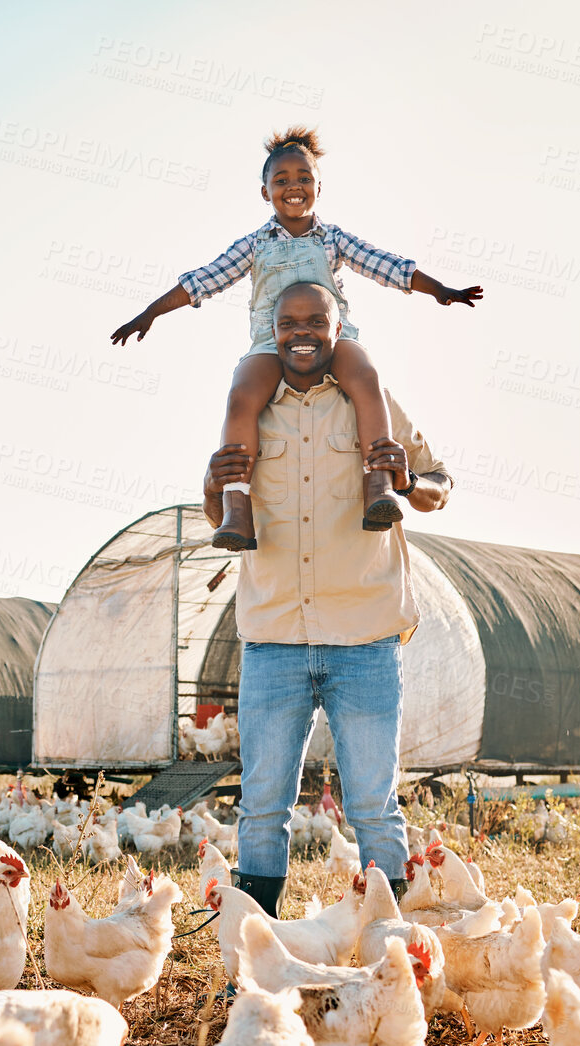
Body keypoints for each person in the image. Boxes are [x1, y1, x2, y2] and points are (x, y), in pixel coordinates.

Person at [201, 280, 452, 916]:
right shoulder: (250, 408)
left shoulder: (374, 403)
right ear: (273, 330)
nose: (303, 332)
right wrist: (213, 485)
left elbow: (440, 486)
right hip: (274, 639)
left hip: (363, 637)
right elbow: (218, 514)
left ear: (338, 329)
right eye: (290, 322)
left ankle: (385, 952)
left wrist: (407, 478)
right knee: (262, 806)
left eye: (317, 320)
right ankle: (254, 961)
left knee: (372, 802)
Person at [115, 126, 479, 551]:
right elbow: (203, 280)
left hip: (334, 341)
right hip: (272, 345)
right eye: (281, 180)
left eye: (303, 178)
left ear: (319, 187)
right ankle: (237, 505)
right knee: (241, 395)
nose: (294, 187)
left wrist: (439, 290)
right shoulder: (253, 245)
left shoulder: (332, 240)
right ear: (265, 191)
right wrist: (151, 312)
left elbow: (386, 264)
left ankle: (377, 484)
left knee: (366, 378)